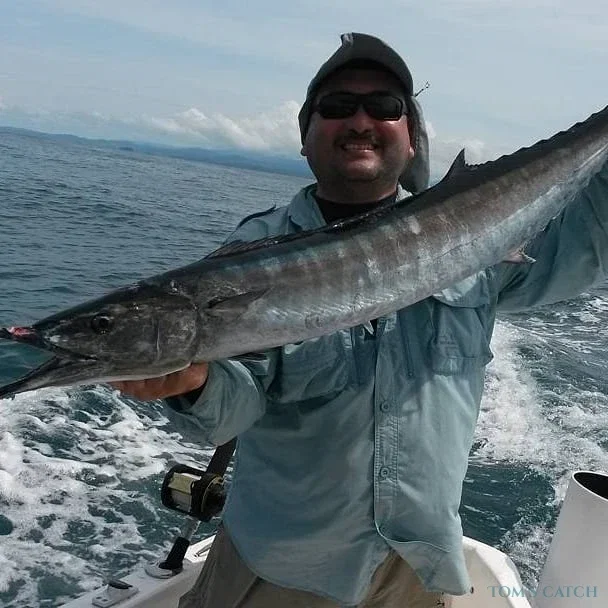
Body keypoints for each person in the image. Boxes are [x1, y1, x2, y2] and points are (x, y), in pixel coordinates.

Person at [112, 33, 608, 608]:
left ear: (412, 136)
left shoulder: (483, 238)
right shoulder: (249, 256)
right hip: (282, 572)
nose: (361, 120)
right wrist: (193, 383)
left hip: (416, 569)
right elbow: (233, 409)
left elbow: (592, 243)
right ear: (305, 135)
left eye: (385, 106)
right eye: (338, 106)